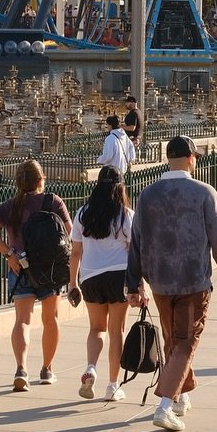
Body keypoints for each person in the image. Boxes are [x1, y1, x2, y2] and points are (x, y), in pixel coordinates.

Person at [124, 135, 217, 432]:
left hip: (159, 281)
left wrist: (133, 283)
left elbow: (137, 241)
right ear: (191, 159)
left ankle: (181, 396)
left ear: (167, 159)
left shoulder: (147, 195)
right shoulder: (204, 193)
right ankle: (164, 405)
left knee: (174, 340)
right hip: (192, 280)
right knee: (186, 341)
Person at [0, 158, 72, 393]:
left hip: (20, 267)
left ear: (18, 183)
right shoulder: (53, 201)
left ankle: (21, 369)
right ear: (41, 180)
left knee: (22, 321)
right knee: (50, 319)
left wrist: (9, 252)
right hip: (50, 269)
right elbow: (70, 230)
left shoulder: (12, 205)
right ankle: (47, 369)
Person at [71, 165, 134, 403]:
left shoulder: (83, 213)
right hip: (119, 275)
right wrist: (139, 284)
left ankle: (91, 368)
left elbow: (75, 252)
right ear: (120, 187)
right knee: (116, 331)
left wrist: (72, 283)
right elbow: (135, 250)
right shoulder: (125, 214)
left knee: (96, 328)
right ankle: (113, 385)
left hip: (90, 277)